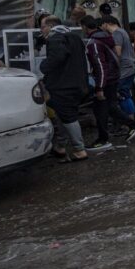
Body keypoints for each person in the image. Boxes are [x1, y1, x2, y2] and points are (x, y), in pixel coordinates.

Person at [81, 15, 135, 150]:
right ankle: (127, 125)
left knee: (106, 106)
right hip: (113, 76)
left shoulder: (94, 42)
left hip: (106, 79)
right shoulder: (106, 37)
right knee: (108, 106)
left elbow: (100, 65)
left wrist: (99, 86)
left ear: (85, 27)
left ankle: (108, 136)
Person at [38, 16, 89, 163]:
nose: (41, 30)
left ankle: (79, 150)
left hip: (63, 87)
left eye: (42, 27)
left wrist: (43, 66)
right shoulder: (74, 37)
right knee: (62, 116)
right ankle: (60, 146)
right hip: (78, 84)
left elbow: (58, 57)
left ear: (50, 26)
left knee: (68, 117)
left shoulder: (55, 39)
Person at [100, 15, 135, 119]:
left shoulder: (117, 33)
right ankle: (131, 119)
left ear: (106, 24)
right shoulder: (123, 31)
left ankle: (131, 120)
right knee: (124, 92)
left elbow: (117, 52)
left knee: (122, 93)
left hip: (124, 69)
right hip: (128, 67)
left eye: (102, 25)